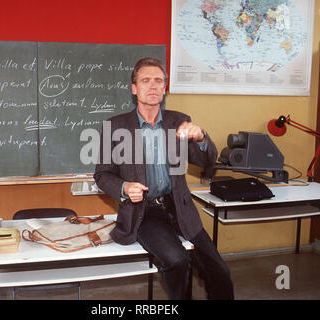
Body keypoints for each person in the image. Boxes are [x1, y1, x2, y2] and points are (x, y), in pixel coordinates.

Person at [93, 57, 233, 300]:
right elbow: (102, 174)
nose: (153, 86)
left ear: (165, 88)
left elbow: (207, 160)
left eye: (159, 81)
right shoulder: (115, 126)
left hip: (180, 207)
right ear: (134, 88)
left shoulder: (178, 121)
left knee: (220, 272)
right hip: (144, 212)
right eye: (145, 81)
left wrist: (201, 138)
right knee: (178, 261)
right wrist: (124, 187)